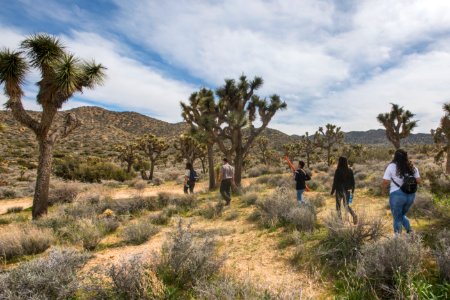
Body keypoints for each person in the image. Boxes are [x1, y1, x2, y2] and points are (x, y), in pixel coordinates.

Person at [382, 149, 421, 234]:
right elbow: (418, 181)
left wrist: (383, 190)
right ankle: (409, 231)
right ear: (406, 156)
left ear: (395, 156)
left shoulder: (391, 166)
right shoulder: (412, 166)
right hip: (410, 195)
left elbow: (385, 181)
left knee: (397, 217)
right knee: (401, 215)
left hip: (396, 194)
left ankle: (398, 238)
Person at [331, 156, 358, 224]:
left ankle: (340, 221)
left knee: (338, 206)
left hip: (339, 190)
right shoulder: (350, 170)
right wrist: (353, 191)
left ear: (340, 162)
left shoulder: (338, 170)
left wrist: (332, 191)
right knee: (346, 205)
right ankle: (354, 215)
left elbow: (335, 181)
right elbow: (353, 181)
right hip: (348, 191)